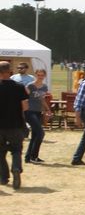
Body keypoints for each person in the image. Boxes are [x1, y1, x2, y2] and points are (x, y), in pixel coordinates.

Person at [0, 61, 29, 189]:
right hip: (15, 124)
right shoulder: (19, 86)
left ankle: (3, 177)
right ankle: (16, 168)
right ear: (9, 71)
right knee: (16, 150)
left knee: (0, 153)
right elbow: (25, 106)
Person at [24, 68, 51, 164]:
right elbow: (24, 98)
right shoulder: (30, 86)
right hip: (29, 111)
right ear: (36, 75)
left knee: (35, 135)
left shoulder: (44, 87)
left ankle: (30, 157)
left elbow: (42, 100)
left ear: (44, 76)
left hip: (38, 111)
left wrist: (48, 109)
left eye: (42, 75)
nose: (40, 77)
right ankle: (33, 155)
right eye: (38, 75)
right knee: (41, 133)